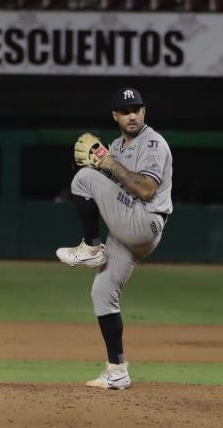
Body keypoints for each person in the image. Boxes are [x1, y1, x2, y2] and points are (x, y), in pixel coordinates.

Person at [55, 87, 173, 390]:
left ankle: (92, 247)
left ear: (144, 112)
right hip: (128, 225)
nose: (131, 115)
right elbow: (108, 185)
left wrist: (101, 166)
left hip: (145, 221)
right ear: (115, 116)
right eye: (125, 111)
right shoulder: (117, 147)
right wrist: (91, 165)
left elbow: (146, 189)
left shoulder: (153, 143)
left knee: (83, 180)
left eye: (136, 109)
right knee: (102, 291)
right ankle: (117, 369)